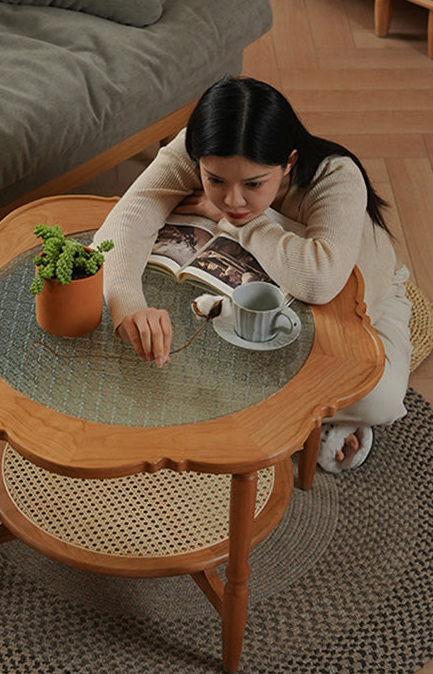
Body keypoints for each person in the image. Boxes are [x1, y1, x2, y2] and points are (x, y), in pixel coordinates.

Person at [93, 76, 412, 474]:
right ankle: (300, 417)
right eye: (215, 181)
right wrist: (128, 306)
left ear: (289, 162)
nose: (233, 199)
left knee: (380, 398)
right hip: (263, 285)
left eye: (254, 184)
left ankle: (324, 417)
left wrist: (239, 225)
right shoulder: (197, 146)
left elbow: (319, 279)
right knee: (191, 347)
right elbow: (127, 217)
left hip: (365, 308)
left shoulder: (335, 175)